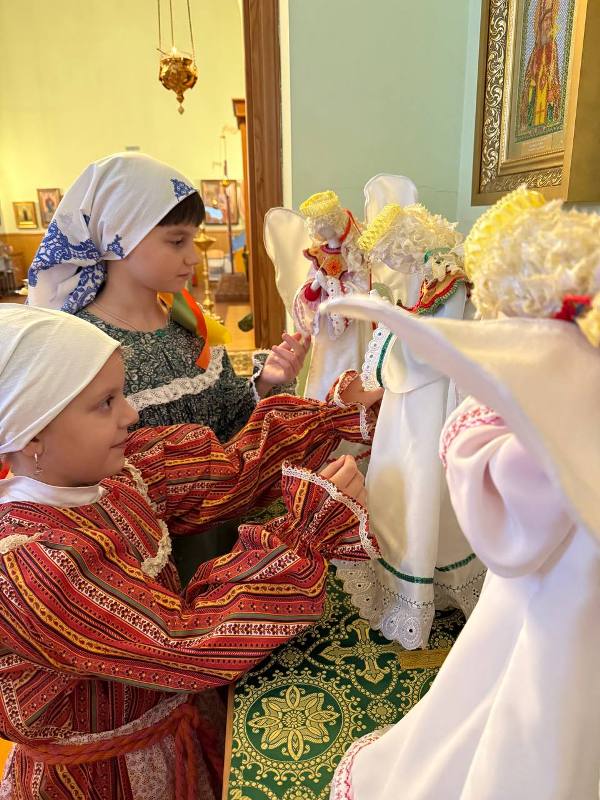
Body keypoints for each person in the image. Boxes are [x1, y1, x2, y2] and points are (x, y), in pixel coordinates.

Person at [0, 303, 381, 800]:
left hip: (172, 729)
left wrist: (334, 419)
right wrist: (302, 535)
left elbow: (230, 472)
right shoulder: (30, 565)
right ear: (32, 434)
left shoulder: (112, 478)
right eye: (106, 403)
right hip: (107, 777)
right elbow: (185, 639)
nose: (130, 414)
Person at [327, 187, 600, 799]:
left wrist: (475, 416)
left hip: (552, 603)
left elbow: (505, 526)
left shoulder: (546, 425)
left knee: (526, 702)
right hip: (410, 414)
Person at [27, 152, 310, 569]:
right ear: (120, 237)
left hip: (220, 527)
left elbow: (224, 423)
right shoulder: (82, 344)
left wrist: (265, 381)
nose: (193, 256)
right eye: (177, 242)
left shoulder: (187, 322)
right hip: (137, 545)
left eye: (193, 240)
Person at [335, 203, 483, 648]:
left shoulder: (449, 281)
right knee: (410, 488)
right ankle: (417, 578)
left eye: (391, 256)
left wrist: (386, 333)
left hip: (429, 404)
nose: (391, 266)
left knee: (424, 486)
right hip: (414, 403)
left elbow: (425, 352)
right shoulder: (432, 279)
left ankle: (427, 582)